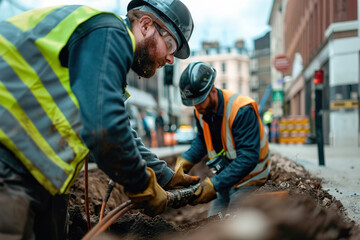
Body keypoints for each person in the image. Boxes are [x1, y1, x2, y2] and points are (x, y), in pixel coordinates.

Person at [0, 1, 199, 239]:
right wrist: (140, 185)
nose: (170, 59)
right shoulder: (107, 33)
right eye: (170, 45)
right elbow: (106, 130)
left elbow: (119, 130)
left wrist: (165, 177)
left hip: (36, 172)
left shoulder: (103, 47)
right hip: (9, 160)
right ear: (145, 25)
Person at [176, 62, 271, 217]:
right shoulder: (201, 111)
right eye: (193, 103)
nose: (196, 107)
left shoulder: (241, 109)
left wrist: (213, 184)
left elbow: (248, 157)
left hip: (249, 181)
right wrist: (184, 162)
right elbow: (201, 142)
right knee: (212, 223)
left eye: (199, 101)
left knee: (231, 225)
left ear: (212, 90)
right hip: (226, 182)